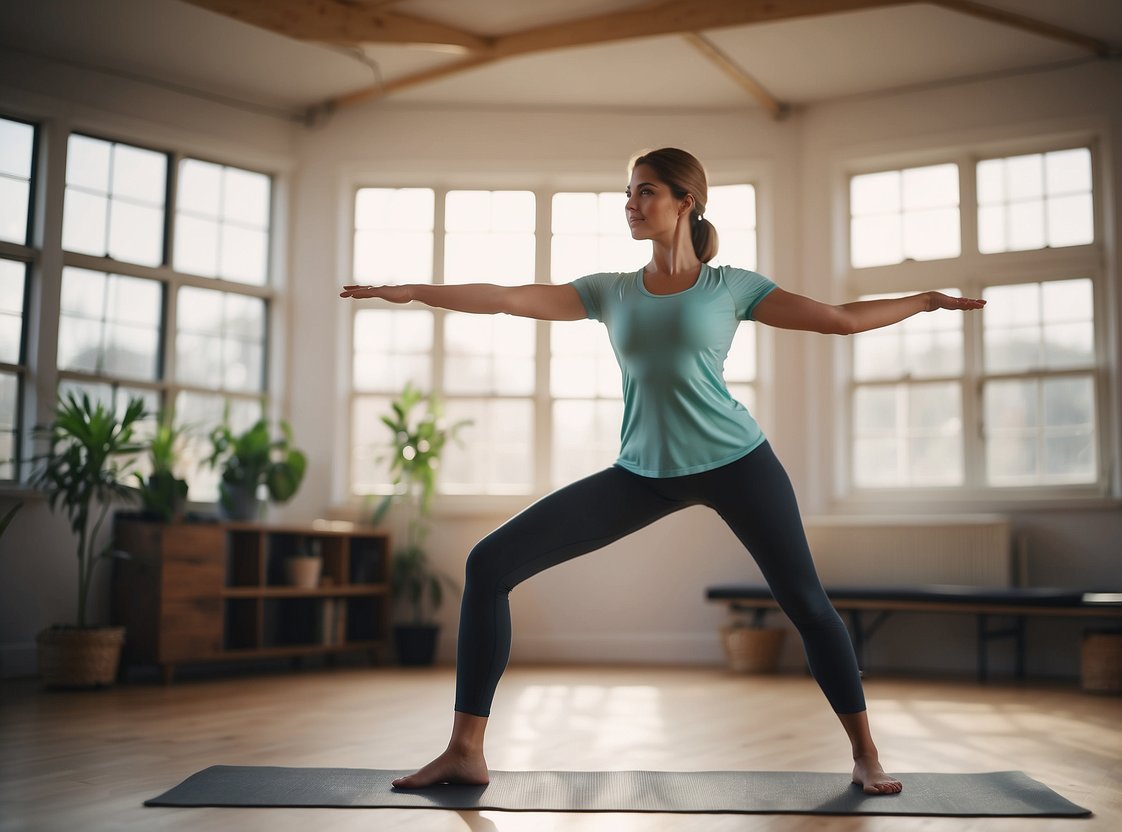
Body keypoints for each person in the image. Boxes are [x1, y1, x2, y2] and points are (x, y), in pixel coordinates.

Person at [340, 147, 985, 796]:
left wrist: (924, 301)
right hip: (643, 471)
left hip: (738, 462)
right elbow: (510, 298)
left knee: (807, 605)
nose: (631, 203)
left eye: (645, 191)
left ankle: (866, 756)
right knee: (488, 564)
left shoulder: (730, 286)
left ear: (686, 201)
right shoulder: (610, 292)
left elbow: (840, 321)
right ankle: (463, 752)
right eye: (627, 193)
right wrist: (415, 292)